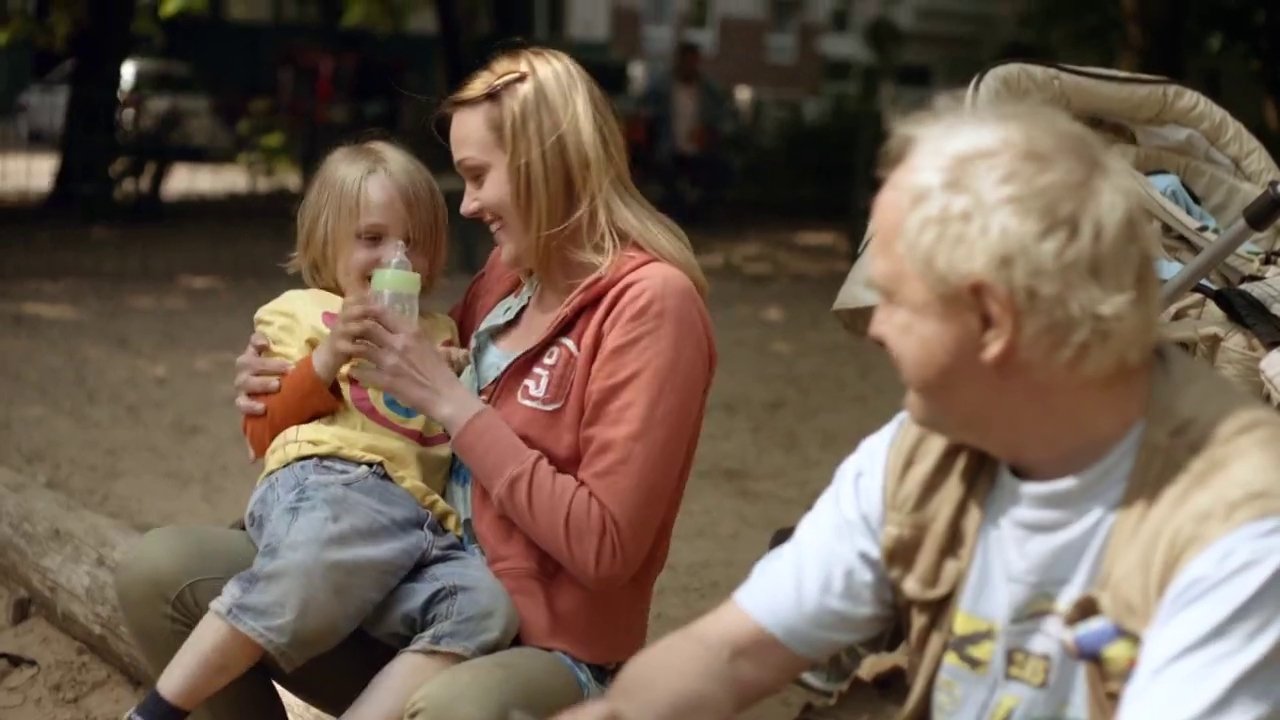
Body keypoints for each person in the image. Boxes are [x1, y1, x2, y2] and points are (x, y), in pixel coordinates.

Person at [554, 101, 1280, 720]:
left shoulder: (1239, 528)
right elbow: (731, 652)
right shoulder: (926, 452)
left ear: (992, 322)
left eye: (896, 297)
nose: (873, 326)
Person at [114, 45, 717, 720]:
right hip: (410, 582)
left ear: (546, 161)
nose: (469, 206)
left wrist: (457, 407)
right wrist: (290, 379)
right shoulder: (507, 277)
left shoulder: (653, 306)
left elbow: (605, 548)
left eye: (478, 176)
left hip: (543, 647)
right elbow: (393, 395)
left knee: (449, 709)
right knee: (159, 572)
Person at [121, 139, 517, 720]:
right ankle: (157, 711)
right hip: (331, 487)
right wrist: (328, 356)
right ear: (325, 243)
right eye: (372, 238)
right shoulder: (299, 312)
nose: (395, 258)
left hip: (419, 524)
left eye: (414, 242)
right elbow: (261, 435)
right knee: (310, 563)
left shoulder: (439, 331)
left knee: (485, 607)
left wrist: (449, 370)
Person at [639, 41, 732, 223]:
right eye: (686, 60)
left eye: (694, 61)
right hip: (669, 152)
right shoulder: (661, 88)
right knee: (670, 190)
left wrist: (710, 132)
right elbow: (644, 113)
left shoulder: (709, 91)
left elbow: (726, 119)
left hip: (700, 152)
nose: (690, 65)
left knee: (715, 178)